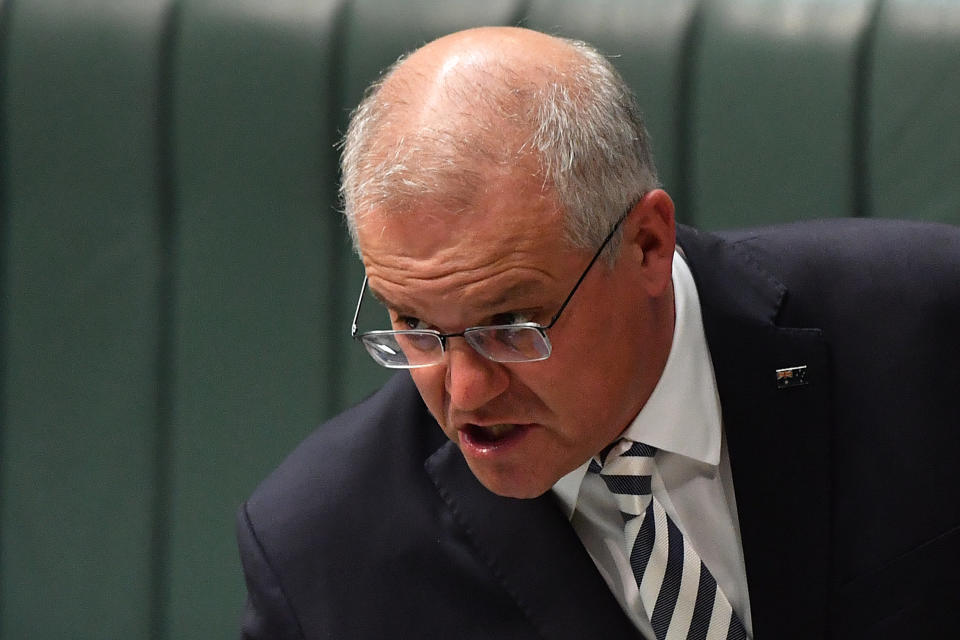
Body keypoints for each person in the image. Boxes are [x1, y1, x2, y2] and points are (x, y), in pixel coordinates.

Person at [236, 26, 960, 639]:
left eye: (509, 326)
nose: (464, 391)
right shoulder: (322, 554)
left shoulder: (929, 330)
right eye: (415, 327)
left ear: (646, 243)